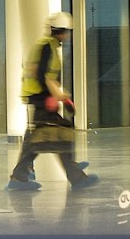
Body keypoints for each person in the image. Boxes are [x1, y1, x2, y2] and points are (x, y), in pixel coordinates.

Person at [8, 11, 100, 191]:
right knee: (61, 134)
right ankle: (76, 177)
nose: (68, 36)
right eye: (67, 32)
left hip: (40, 97)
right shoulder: (47, 47)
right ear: (63, 31)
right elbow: (42, 75)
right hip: (41, 98)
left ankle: (19, 177)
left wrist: (63, 97)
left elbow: (49, 77)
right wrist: (51, 97)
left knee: (37, 140)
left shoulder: (48, 45)